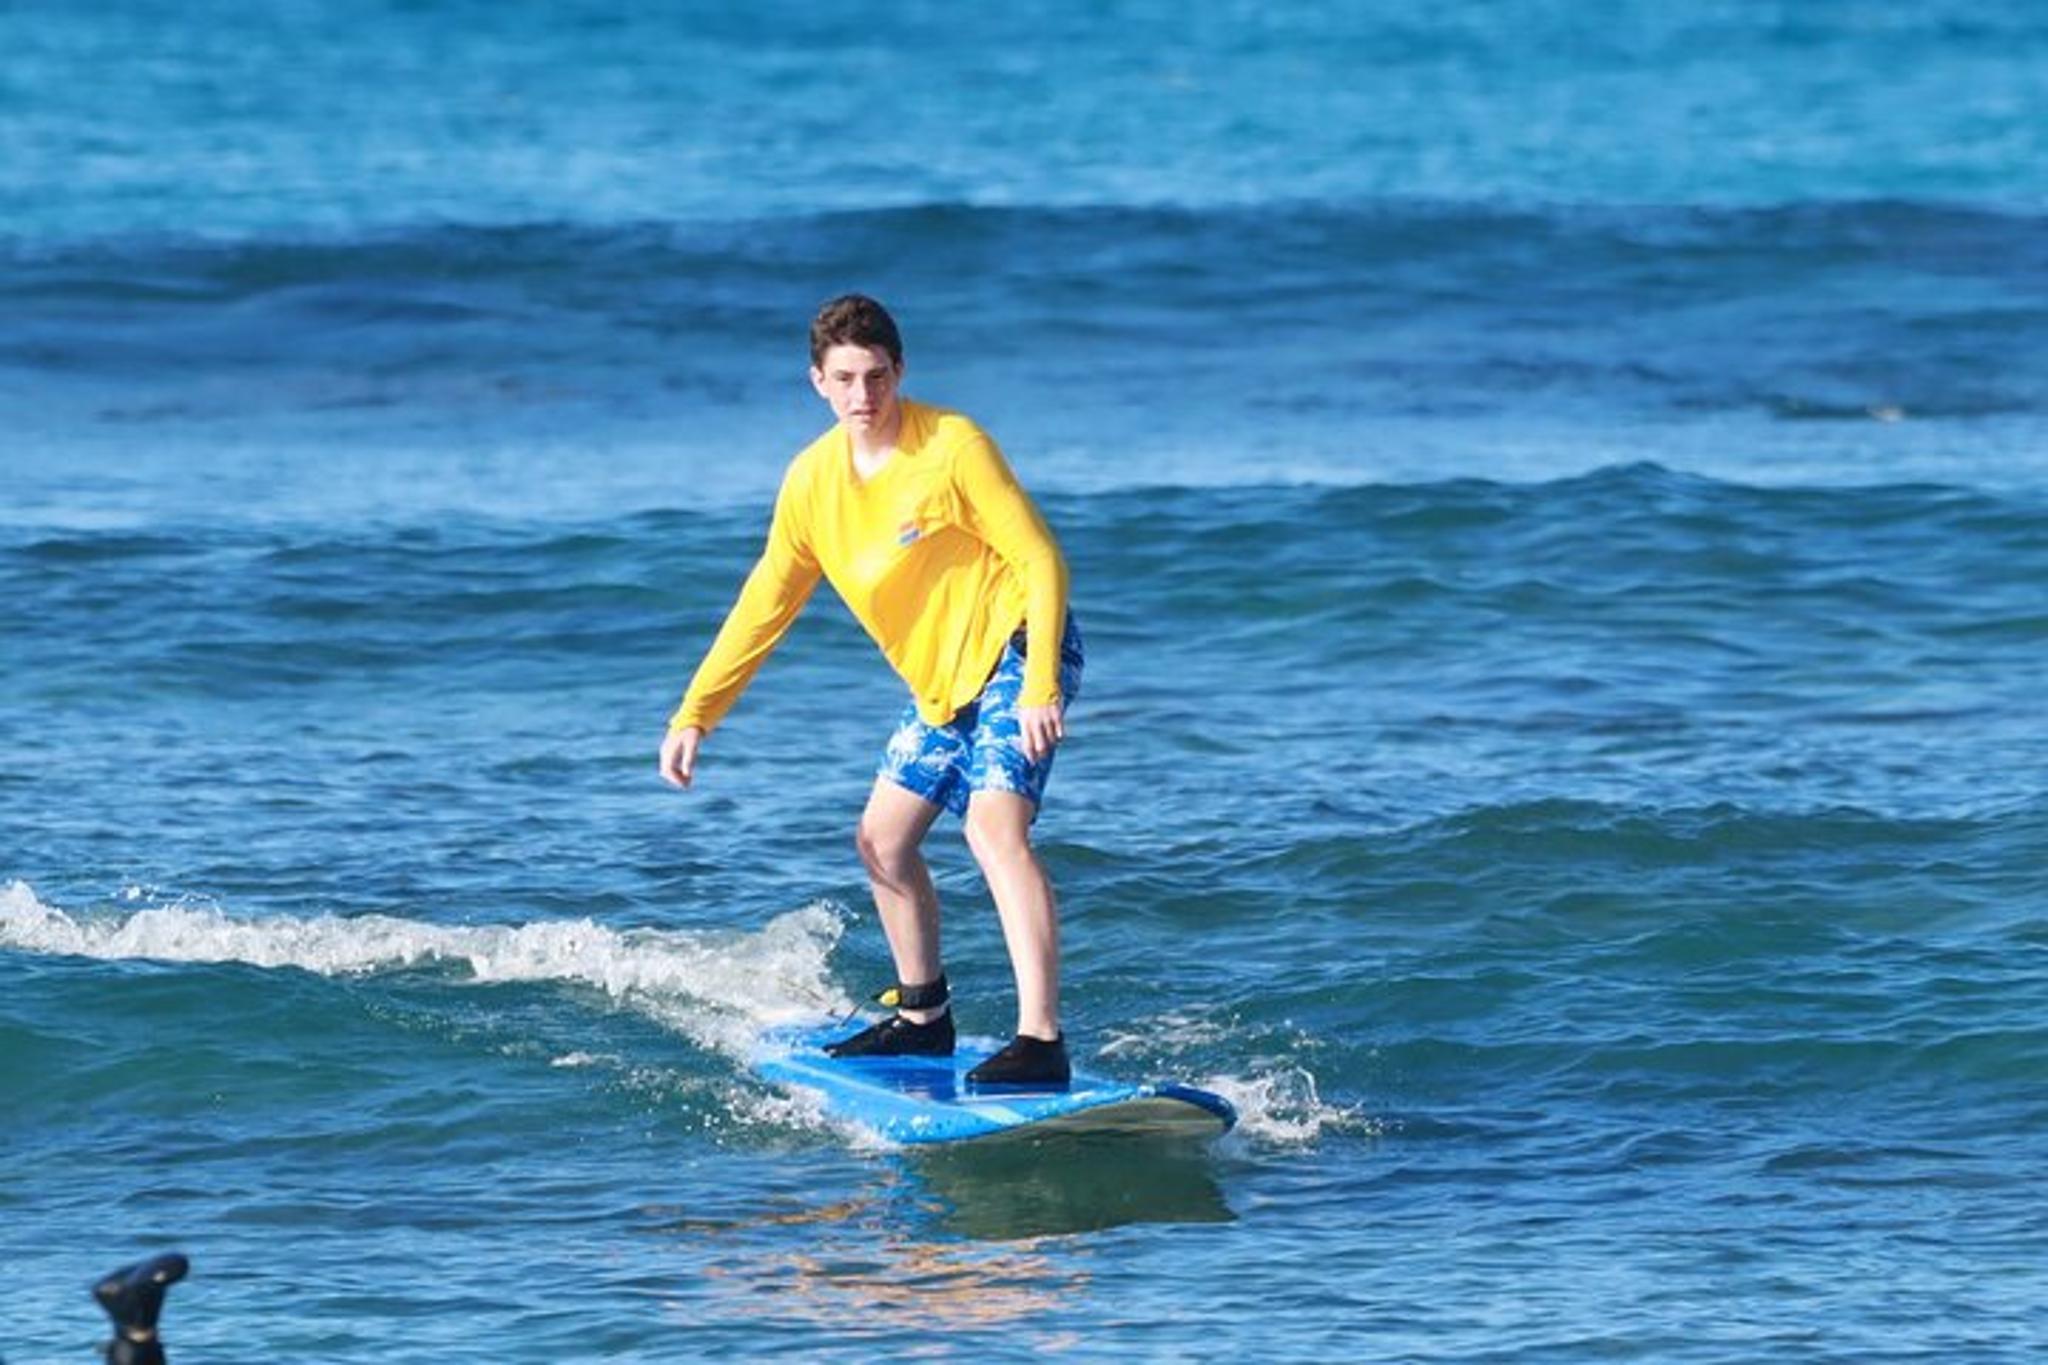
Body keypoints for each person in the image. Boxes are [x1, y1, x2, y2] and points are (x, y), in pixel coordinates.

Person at [658, 295, 1081, 1087]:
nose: (864, 395)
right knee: (882, 840)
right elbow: (767, 600)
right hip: (939, 683)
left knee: (994, 830)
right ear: (817, 380)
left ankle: (1041, 1040)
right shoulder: (812, 483)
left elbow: (1041, 558)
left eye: (878, 376)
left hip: (1016, 649)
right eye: (846, 378)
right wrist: (697, 713)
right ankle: (923, 1018)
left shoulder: (952, 446)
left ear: (901, 372)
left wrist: (1042, 684)